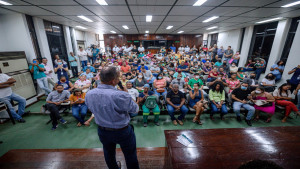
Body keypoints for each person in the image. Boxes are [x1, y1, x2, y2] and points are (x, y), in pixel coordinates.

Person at [85, 66, 139, 169]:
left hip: (102, 130)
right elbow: (135, 109)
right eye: (118, 78)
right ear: (113, 81)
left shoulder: (89, 94)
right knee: (130, 154)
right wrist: (127, 95)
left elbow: (92, 109)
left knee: (108, 153)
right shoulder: (121, 95)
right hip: (122, 131)